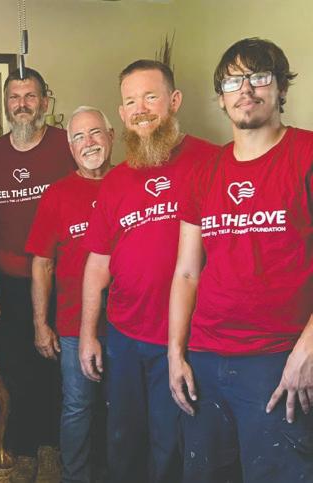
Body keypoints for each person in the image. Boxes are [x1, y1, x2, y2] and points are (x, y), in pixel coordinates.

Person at [168, 37, 313, 483]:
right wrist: (175, 352)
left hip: (279, 361)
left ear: (281, 87)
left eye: (259, 77)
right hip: (205, 359)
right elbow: (187, 272)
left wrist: (308, 349)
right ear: (221, 97)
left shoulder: (306, 155)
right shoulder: (204, 171)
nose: (245, 89)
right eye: (233, 81)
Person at [79, 60, 219, 483]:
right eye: (130, 101)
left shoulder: (211, 161)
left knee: (170, 446)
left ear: (174, 101)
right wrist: (88, 333)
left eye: (150, 97)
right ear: (121, 113)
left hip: (186, 338)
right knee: (123, 441)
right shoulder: (116, 181)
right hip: (124, 336)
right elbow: (97, 263)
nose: (140, 109)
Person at [0, 67, 75, 483]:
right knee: (17, 372)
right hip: (11, 285)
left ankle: (56, 452)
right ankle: (29, 451)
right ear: (5, 105)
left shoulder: (67, 146)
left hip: (63, 282)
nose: (22, 104)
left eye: (30, 96)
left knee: (61, 373)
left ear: (44, 102)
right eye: (14, 97)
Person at [25, 106, 113, 483]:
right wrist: (40, 324)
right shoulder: (58, 195)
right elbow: (42, 264)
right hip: (75, 325)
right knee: (78, 407)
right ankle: (75, 477)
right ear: (71, 148)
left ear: (111, 135)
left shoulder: (130, 183)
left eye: (95, 133)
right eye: (78, 137)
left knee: (125, 409)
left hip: (130, 326)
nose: (88, 143)